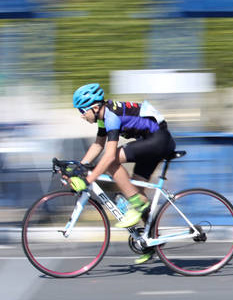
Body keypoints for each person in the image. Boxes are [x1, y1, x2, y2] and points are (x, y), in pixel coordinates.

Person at [70, 83, 176, 264]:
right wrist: (78, 167)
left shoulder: (111, 116)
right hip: (152, 141)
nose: (81, 115)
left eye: (82, 110)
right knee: (135, 190)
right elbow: (98, 145)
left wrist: (89, 179)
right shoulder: (104, 117)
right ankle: (150, 240)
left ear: (95, 107)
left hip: (158, 140)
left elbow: (109, 155)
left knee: (112, 161)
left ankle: (137, 205)